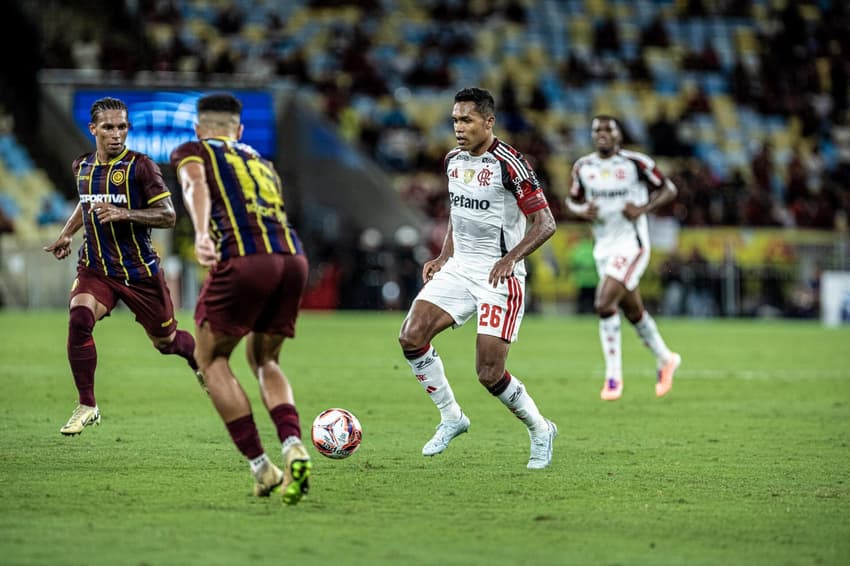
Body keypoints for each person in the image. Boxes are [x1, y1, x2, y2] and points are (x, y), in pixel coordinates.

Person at [397, 87, 558, 470]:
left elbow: (546, 223)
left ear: (488, 122)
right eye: (454, 120)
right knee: (410, 336)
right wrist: (443, 255)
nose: (458, 127)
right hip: (459, 268)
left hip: (500, 276)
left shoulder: (511, 164)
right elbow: (460, 212)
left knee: (489, 373)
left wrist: (510, 258)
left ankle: (540, 429)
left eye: (466, 120)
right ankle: (452, 417)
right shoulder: (453, 160)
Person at [170, 93, 311, 504]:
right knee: (265, 358)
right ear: (240, 131)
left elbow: (194, 183)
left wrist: (199, 233)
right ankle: (293, 445)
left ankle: (262, 467)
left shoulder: (193, 151)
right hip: (293, 259)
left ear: (199, 129)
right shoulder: (261, 162)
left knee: (210, 358)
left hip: (247, 259)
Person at [43, 97, 200, 435]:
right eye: (109, 127)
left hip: (140, 274)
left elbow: (169, 216)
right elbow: (85, 205)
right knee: (79, 318)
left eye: (122, 127)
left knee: (167, 342)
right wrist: (66, 234)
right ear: (93, 129)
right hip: (97, 268)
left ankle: (196, 357)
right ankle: (87, 404)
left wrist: (124, 213)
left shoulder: (141, 167)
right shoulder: (82, 167)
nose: (117, 134)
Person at [566, 115, 682, 401]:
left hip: (632, 245)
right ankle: (666, 359)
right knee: (633, 311)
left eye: (608, 129)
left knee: (603, 303)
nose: (602, 134)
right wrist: (580, 211)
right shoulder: (584, 167)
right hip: (603, 247)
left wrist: (643, 208)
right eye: (597, 130)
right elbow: (572, 200)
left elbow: (669, 189)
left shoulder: (636, 164)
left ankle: (613, 378)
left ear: (619, 135)